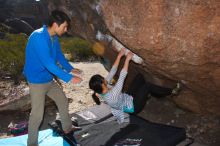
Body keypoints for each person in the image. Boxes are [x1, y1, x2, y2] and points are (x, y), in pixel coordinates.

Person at [23, 10, 82, 146]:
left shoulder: (54, 38)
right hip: (36, 81)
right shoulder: (38, 37)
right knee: (37, 115)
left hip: (48, 79)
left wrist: (70, 68)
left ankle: (67, 128)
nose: (66, 30)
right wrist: (69, 77)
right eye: (65, 26)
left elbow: (59, 56)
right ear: (55, 24)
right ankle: (31, 144)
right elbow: (49, 63)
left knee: (62, 100)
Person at [89, 49, 181, 124]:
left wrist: (119, 55)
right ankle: (172, 92)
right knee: (147, 86)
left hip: (126, 97)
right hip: (133, 107)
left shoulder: (103, 87)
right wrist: (127, 59)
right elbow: (122, 76)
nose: (104, 78)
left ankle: (155, 94)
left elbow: (113, 70)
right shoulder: (112, 96)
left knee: (139, 77)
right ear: (102, 84)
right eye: (102, 78)